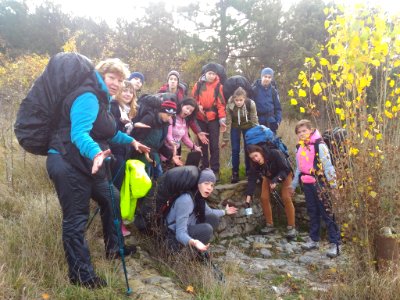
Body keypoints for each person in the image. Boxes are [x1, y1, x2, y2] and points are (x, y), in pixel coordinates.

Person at [46, 58, 150, 288]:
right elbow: (79, 134)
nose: (116, 83)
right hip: (67, 162)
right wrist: (95, 153)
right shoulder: (87, 97)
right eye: (111, 77)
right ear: (100, 75)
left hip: (85, 163)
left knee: (112, 198)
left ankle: (114, 249)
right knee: (76, 220)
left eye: (120, 79)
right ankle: (81, 276)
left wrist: (132, 141)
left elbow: (108, 133)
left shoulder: (101, 101)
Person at [290, 119, 340, 258]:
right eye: (299, 132)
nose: (301, 134)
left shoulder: (320, 145)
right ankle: (314, 239)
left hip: (320, 183)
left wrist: (334, 185)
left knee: (327, 213)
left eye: (304, 131)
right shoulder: (299, 147)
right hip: (306, 183)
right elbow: (299, 168)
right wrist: (293, 185)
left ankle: (335, 244)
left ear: (311, 130)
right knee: (312, 212)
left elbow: (328, 166)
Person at [165, 169, 238, 252]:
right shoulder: (186, 200)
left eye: (212, 185)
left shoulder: (198, 198)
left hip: (189, 224)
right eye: (206, 183)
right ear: (198, 183)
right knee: (207, 229)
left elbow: (210, 212)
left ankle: (199, 247)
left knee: (213, 219)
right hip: (174, 232)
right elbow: (180, 233)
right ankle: (190, 253)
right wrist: (194, 242)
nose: (209, 188)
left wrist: (225, 211)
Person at [245, 144, 297, 238]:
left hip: (285, 174)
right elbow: (251, 180)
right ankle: (269, 225)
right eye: (252, 158)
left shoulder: (275, 153)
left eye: (256, 155)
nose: (255, 159)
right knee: (264, 198)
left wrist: (276, 180)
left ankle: (291, 227)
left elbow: (285, 169)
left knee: (286, 197)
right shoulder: (255, 164)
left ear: (260, 152)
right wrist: (248, 198)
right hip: (269, 176)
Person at [131, 97, 182, 178]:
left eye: (172, 116)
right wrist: (144, 151)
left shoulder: (164, 124)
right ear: (161, 111)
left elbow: (160, 145)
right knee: (144, 179)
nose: (169, 118)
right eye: (168, 115)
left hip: (154, 156)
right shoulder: (149, 119)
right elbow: (136, 137)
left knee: (159, 176)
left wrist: (171, 156)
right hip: (141, 156)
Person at [192, 63, 226, 180]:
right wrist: (197, 106)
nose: (211, 76)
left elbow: (221, 103)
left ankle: (215, 170)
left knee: (214, 145)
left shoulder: (219, 86)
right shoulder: (198, 85)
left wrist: (222, 119)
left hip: (213, 119)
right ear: (205, 73)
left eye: (213, 74)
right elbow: (193, 100)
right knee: (202, 144)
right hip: (200, 118)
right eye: (209, 73)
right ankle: (204, 167)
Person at [159, 70, 209, 148]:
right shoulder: (160, 94)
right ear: (167, 81)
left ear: (178, 82)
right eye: (171, 79)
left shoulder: (182, 97)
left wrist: (198, 131)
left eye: (175, 79)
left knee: (176, 149)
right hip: (162, 125)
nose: (172, 81)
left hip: (177, 127)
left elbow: (190, 116)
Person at [221, 87, 258, 183]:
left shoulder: (251, 104)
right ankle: (235, 173)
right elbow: (228, 122)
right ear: (233, 99)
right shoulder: (230, 105)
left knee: (248, 148)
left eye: (241, 100)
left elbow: (254, 119)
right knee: (235, 149)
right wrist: (225, 139)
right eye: (236, 100)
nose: (238, 102)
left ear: (244, 99)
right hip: (235, 126)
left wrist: (257, 133)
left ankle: (249, 171)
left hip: (248, 126)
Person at [164, 98, 202, 165]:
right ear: (182, 105)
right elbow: (168, 135)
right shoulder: (172, 117)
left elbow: (185, 138)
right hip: (165, 150)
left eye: (190, 111)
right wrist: (174, 144)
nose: (188, 112)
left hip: (176, 152)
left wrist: (195, 147)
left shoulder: (184, 121)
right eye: (187, 108)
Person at [252, 67, 282, 134]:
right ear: (262, 76)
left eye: (269, 77)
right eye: (265, 76)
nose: (267, 79)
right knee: (258, 144)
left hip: (271, 122)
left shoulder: (274, 91)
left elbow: (278, 108)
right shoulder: (254, 90)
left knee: (271, 143)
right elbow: (249, 107)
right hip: (258, 122)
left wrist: (277, 122)